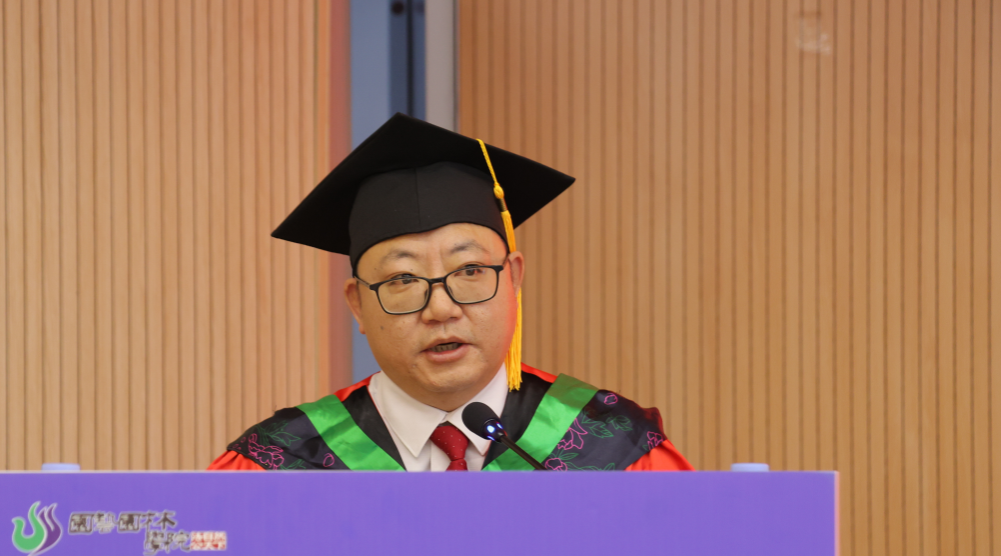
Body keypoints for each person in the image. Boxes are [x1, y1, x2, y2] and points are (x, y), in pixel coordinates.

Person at [209, 114, 692, 472]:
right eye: (402, 281)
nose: (441, 309)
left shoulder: (613, 449)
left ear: (513, 279)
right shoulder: (282, 465)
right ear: (357, 304)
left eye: (470, 271)